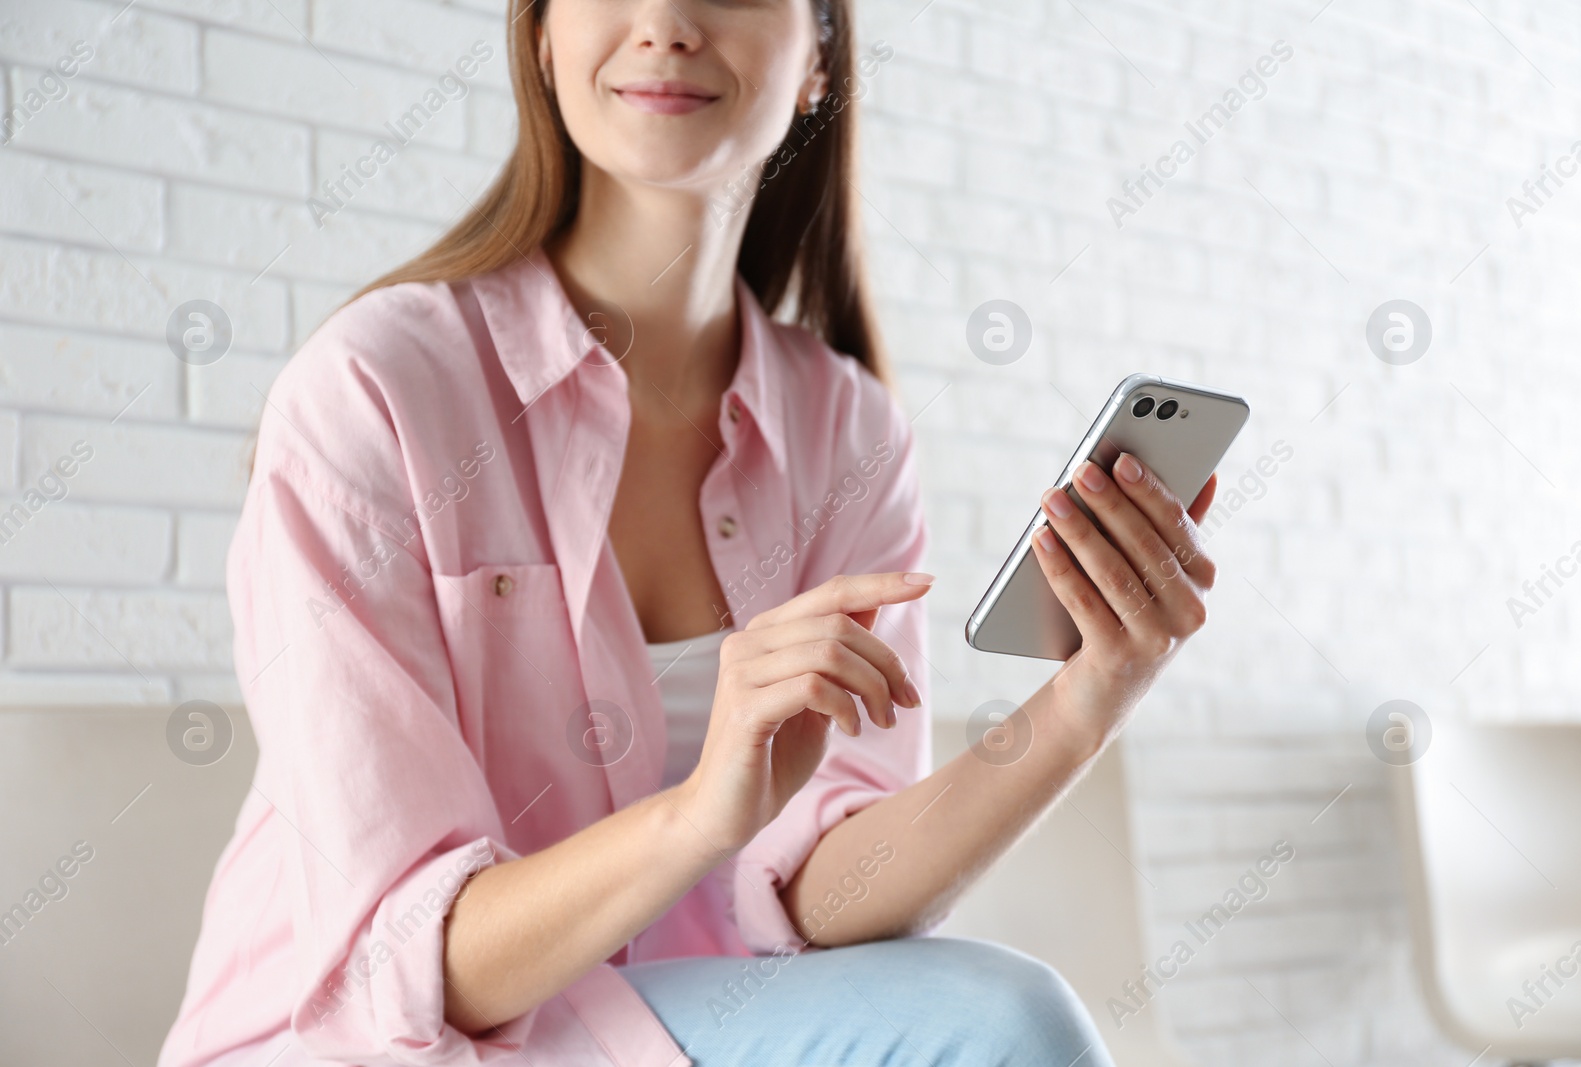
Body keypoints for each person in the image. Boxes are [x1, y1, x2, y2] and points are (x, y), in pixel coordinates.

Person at [159, 1, 1220, 1064]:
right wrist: (703, 810)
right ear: (540, 37)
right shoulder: (371, 391)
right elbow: (412, 963)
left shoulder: (848, 429)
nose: (665, 22)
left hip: (659, 1029)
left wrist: (1086, 700)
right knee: (998, 1021)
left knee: (996, 1009)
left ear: (818, 59)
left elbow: (824, 887)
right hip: (370, 1044)